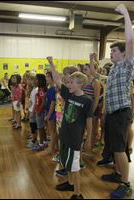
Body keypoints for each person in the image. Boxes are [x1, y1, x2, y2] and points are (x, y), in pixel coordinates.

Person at [101, 4, 134, 199]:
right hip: (112, 114)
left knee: (119, 149)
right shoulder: (114, 69)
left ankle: (126, 184)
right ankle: (118, 173)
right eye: (111, 51)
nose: (111, 54)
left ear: (123, 54)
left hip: (122, 113)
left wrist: (125, 14)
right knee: (114, 148)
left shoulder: (126, 65)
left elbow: (130, 40)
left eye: (114, 51)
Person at [47, 56, 92, 199]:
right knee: (67, 163)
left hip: (75, 139)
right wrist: (51, 63)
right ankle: (70, 183)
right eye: (68, 82)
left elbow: (89, 122)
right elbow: (57, 80)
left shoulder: (87, 100)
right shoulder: (69, 94)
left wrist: (89, 139)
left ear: (80, 84)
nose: (68, 85)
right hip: (65, 135)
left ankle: (78, 194)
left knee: (75, 167)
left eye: (71, 82)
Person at [45, 71, 58, 155]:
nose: (46, 78)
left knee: (52, 132)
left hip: (52, 113)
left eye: (48, 77)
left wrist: (49, 115)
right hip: (49, 111)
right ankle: (56, 146)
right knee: (52, 131)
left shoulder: (53, 89)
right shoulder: (50, 88)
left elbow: (53, 103)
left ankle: (51, 148)